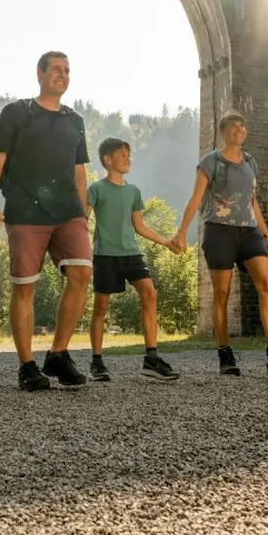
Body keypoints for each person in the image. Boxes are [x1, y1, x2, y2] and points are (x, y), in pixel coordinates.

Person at [0, 51, 92, 391]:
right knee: (25, 287)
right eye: (57, 69)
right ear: (40, 73)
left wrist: (83, 210)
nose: (63, 75)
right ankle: (27, 365)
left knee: (82, 273)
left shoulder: (75, 120)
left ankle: (58, 354)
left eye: (67, 70)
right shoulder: (17, 113)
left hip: (69, 212)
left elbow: (79, 172)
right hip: (26, 210)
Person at [170, 111, 268, 375]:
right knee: (222, 293)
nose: (239, 130)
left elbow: (251, 201)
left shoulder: (250, 162)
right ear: (223, 132)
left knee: (266, 283)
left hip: (249, 232)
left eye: (242, 127)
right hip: (219, 232)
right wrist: (181, 232)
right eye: (234, 127)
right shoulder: (211, 162)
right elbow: (195, 199)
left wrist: (265, 234)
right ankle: (225, 354)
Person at [85, 137, 180, 382]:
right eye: (123, 155)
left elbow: (140, 226)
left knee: (150, 293)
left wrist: (166, 242)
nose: (129, 159)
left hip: (131, 254)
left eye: (129, 155)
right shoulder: (96, 189)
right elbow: (81, 221)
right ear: (108, 160)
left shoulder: (133, 191)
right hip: (105, 255)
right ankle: (97, 362)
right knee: (100, 307)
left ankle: (151, 358)